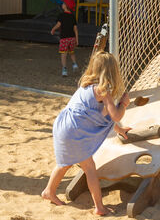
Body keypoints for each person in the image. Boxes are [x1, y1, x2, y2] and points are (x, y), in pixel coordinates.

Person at [40, 51, 131, 215]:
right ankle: (99, 207)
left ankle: (49, 191)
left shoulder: (85, 86)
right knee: (89, 167)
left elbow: (102, 119)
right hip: (74, 130)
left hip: (62, 125)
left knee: (65, 163)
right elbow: (115, 115)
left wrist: (120, 129)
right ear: (111, 72)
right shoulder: (103, 91)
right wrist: (123, 104)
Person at [51, 0, 79, 76]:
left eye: (63, 3)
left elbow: (58, 25)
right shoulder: (73, 17)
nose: (62, 4)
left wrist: (53, 29)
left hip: (64, 38)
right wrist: (77, 39)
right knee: (72, 52)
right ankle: (74, 64)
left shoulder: (61, 15)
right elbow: (75, 29)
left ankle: (64, 69)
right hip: (72, 38)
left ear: (66, 6)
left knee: (63, 54)